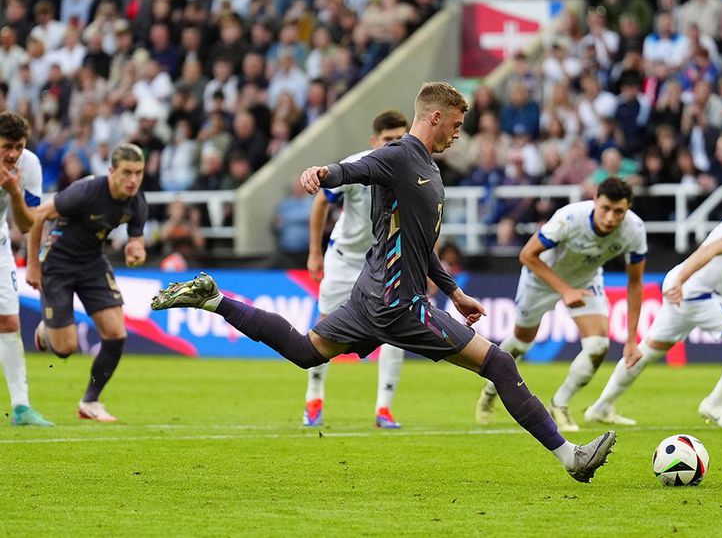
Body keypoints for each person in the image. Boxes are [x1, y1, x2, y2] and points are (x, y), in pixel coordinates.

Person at [152, 82, 616, 483]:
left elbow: (420, 246)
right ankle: (570, 457)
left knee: (304, 351)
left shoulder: (429, 168)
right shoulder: (397, 156)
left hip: (370, 297)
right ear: (435, 116)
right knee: (497, 364)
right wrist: (322, 173)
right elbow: (351, 171)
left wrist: (453, 291)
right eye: (455, 123)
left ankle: (214, 300)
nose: (459, 133)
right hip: (398, 304)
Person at [586, 170, 722, 429]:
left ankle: (600, 407)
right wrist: (681, 279)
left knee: (646, 351)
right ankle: (716, 404)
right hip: (694, 291)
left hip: (688, 288)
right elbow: (711, 248)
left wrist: (678, 280)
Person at [475, 178, 647, 431]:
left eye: (619, 211)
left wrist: (632, 340)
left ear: (628, 208)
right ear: (595, 201)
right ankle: (491, 390)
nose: (610, 218)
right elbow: (527, 255)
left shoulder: (634, 229)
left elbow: (635, 284)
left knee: (598, 346)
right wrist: (565, 290)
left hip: (586, 279)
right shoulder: (569, 218)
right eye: (605, 208)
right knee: (522, 342)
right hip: (541, 277)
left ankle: (560, 404)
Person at [26, 143, 148, 423]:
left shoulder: (137, 201)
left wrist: (137, 252)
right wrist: (33, 264)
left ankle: (90, 402)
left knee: (117, 334)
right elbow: (38, 217)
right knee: (66, 348)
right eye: (127, 172)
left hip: (92, 263)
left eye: (138, 173)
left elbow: (137, 242)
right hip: (57, 264)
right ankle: (48, 330)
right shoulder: (87, 191)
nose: (133, 180)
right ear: (111, 171)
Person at [305, 109, 408, 428]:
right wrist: (315, 252)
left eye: (400, 139)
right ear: (374, 141)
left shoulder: (411, 168)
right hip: (345, 259)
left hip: (386, 263)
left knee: (396, 330)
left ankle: (384, 409)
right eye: (388, 140)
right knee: (325, 327)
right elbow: (322, 201)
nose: (394, 145)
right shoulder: (356, 166)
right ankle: (314, 398)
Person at [0, 111, 52, 426]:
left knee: (8, 321)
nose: (14, 154)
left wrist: (15, 192)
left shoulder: (28, 165)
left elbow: (27, 222)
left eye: (19, 146)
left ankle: (21, 407)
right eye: (7, 146)